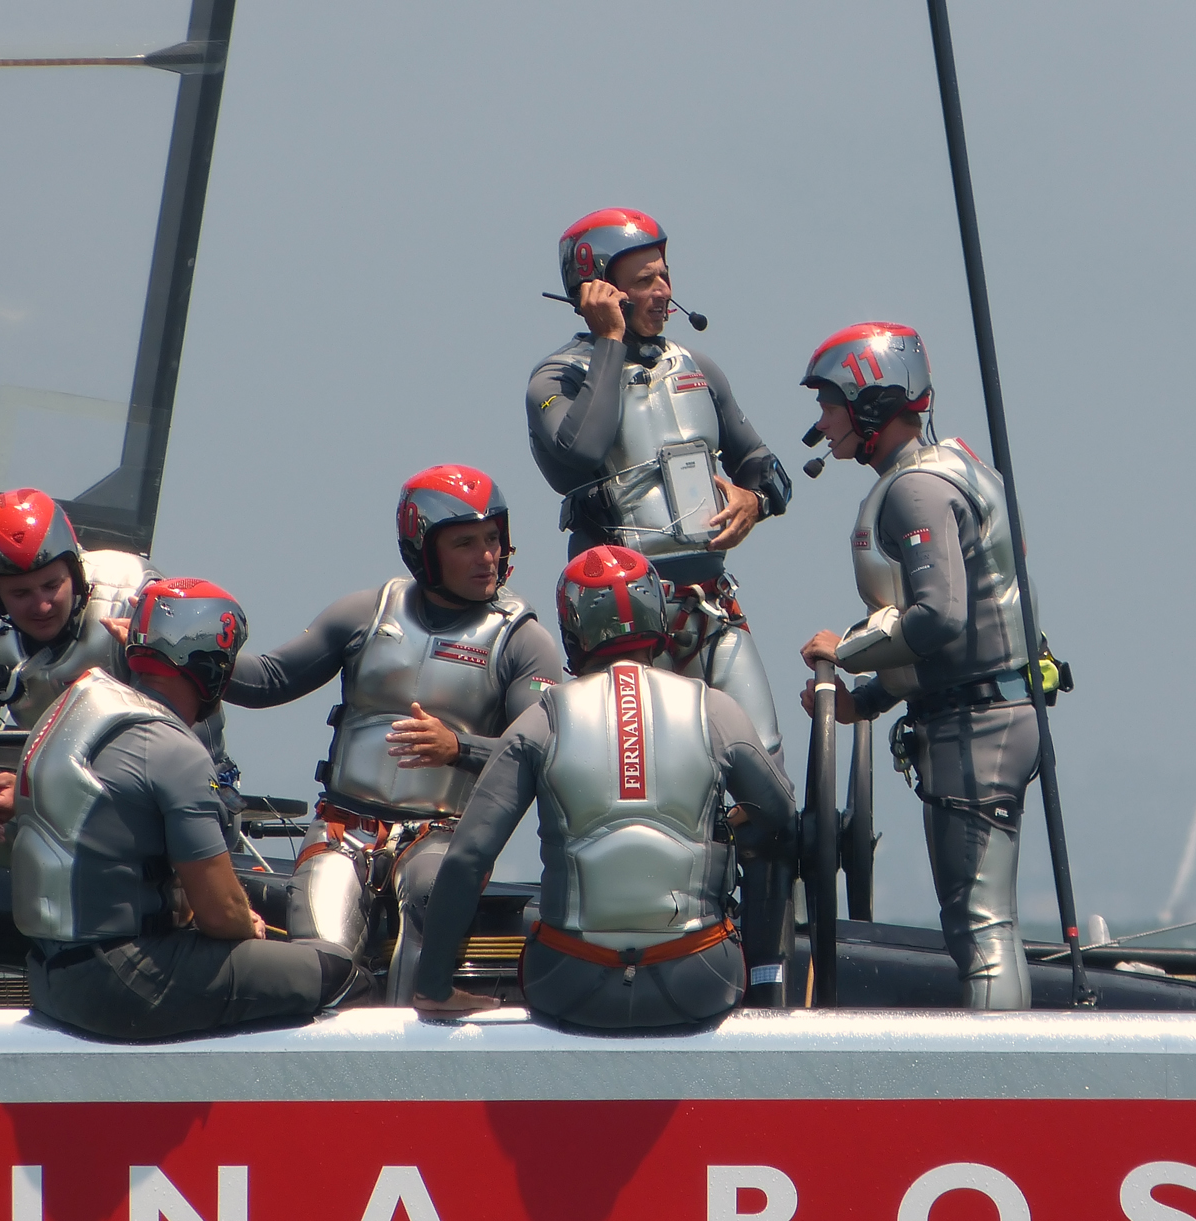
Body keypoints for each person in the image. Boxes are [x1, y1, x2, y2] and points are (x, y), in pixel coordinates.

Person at [0, 488, 235, 1009]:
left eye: (52, 585)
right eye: (20, 593)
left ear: (76, 571)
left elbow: (181, 757)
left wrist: (32, 791)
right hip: (50, 795)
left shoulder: (137, 599)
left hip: (152, 808)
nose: (40, 604)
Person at [413, 546, 796, 1031]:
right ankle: (770, 992)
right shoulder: (715, 710)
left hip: (569, 984)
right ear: (659, 617)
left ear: (573, 633)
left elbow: (468, 859)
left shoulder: (541, 720)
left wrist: (434, 988)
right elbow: (782, 815)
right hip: (701, 981)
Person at [223, 465, 564, 1002]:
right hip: (343, 829)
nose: (487, 556)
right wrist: (177, 653)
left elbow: (547, 751)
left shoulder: (523, 639)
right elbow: (269, 680)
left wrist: (458, 747)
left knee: (432, 900)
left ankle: (419, 1033)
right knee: (320, 961)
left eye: (493, 539)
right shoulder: (368, 612)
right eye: (466, 543)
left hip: (441, 836)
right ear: (423, 550)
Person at [795, 323, 1042, 1010]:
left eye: (830, 405)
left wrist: (839, 651)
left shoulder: (914, 492)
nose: (821, 423)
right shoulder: (957, 467)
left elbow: (939, 618)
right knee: (985, 922)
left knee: (980, 927)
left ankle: (1001, 1071)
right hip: (991, 710)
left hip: (976, 726)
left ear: (870, 404)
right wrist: (869, 701)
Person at [12, 577, 366, 1039]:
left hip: (48, 976)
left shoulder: (78, 707)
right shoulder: (174, 748)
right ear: (212, 666)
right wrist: (244, 925)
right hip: (120, 982)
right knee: (338, 971)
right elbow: (220, 914)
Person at [527, 208, 793, 760]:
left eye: (665, 276)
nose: (663, 292)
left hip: (711, 606)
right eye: (644, 281)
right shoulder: (556, 377)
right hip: (619, 625)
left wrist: (754, 501)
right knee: (651, 768)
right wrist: (609, 340)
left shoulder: (698, 368)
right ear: (599, 289)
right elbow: (582, 451)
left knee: (762, 754)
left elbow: (768, 471)